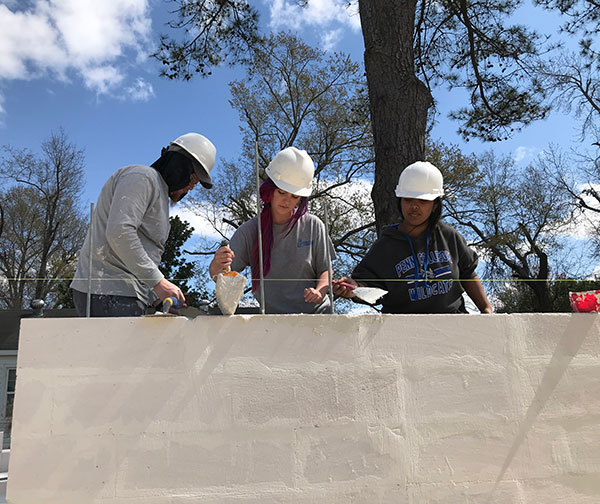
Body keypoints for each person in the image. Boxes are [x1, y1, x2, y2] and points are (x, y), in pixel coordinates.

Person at [70, 133, 216, 317]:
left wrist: (156, 296)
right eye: (193, 179)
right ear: (180, 167)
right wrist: (158, 282)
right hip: (107, 289)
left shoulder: (158, 194)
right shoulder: (142, 177)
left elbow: (144, 254)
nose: (191, 187)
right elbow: (119, 232)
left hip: (123, 293)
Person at [333, 161, 492, 314]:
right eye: (408, 200)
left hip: (452, 325)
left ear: (435, 205)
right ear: (400, 201)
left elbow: (468, 274)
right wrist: (353, 289)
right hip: (403, 331)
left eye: (423, 201)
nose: (414, 206)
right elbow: (365, 285)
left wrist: (486, 310)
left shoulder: (449, 236)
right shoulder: (385, 246)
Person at [209, 147, 336, 314]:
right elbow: (221, 274)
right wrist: (217, 264)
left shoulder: (313, 225)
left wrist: (320, 291)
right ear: (270, 191)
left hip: (316, 315)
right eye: (282, 192)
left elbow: (325, 268)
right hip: (271, 321)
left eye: (294, 196)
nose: (287, 201)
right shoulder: (250, 231)